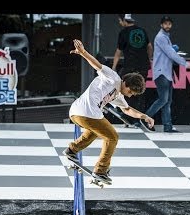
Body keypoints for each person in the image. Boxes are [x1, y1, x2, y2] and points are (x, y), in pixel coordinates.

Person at [63, 39, 154, 184]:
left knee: (94, 131)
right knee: (112, 137)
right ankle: (100, 170)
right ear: (125, 83)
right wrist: (83, 52)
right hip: (87, 111)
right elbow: (97, 66)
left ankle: (72, 150)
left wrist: (144, 116)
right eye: (129, 91)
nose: (129, 95)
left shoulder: (118, 94)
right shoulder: (113, 77)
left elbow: (127, 109)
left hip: (77, 113)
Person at [146, 16, 190, 133]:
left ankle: (167, 126)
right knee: (163, 100)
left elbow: (169, 52)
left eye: (169, 24)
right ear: (161, 25)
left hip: (166, 73)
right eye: (165, 24)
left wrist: (173, 49)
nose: (167, 26)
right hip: (161, 72)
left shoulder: (165, 37)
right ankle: (145, 118)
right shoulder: (161, 37)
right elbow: (171, 54)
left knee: (167, 101)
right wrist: (186, 64)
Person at [112, 14, 153, 127]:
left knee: (126, 90)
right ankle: (137, 120)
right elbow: (149, 47)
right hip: (143, 66)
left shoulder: (123, 32)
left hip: (130, 67)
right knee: (139, 92)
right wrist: (148, 59)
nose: (120, 23)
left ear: (124, 20)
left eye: (120, 21)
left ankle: (128, 118)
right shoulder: (142, 31)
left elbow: (118, 52)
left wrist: (113, 67)